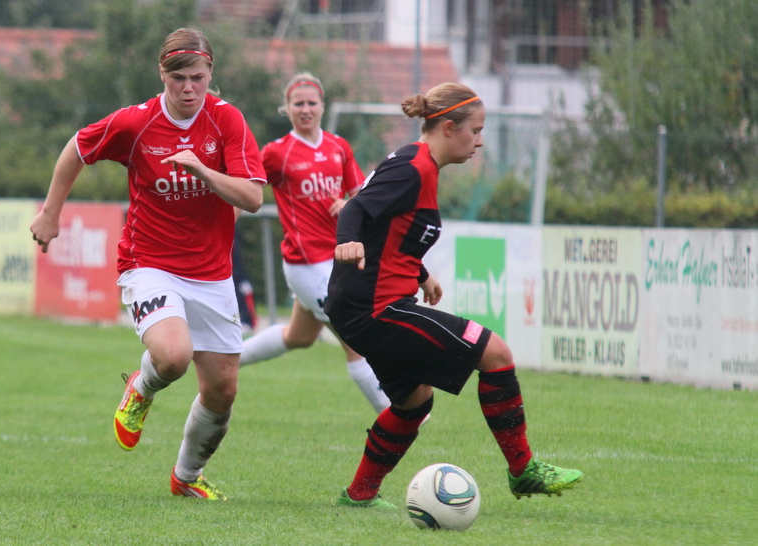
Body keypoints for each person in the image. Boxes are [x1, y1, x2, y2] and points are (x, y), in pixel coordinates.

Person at [29, 28, 266, 501]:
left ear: (210, 73)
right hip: (149, 263)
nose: (188, 88)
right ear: (162, 73)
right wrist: (51, 213)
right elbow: (77, 147)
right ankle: (143, 385)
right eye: (178, 78)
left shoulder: (227, 120)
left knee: (222, 392)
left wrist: (202, 169)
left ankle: (187, 477)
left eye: (197, 77)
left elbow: (253, 198)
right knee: (173, 357)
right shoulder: (135, 123)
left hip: (212, 273)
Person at [325, 83, 583, 507]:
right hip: (374, 307)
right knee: (495, 353)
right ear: (448, 127)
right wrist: (347, 241)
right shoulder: (413, 168)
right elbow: (357, 209)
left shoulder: (418, 164)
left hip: (365, 303)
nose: (479, 141)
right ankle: (524, 470)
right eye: (475, 131)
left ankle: (359, 494)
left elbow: (389, 228)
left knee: (414, 401)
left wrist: (421, 273)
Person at [238, 72, 390, 413]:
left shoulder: (338, 147)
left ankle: (228, 359)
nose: (305, 109)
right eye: (298, 104)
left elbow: (361, 197)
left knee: (299, 336)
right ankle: (395, 415)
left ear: (322, 106)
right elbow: (246, 189)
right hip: (305, 264)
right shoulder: (277, 153)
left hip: (339, 259)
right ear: (287, 108)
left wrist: (350, 204)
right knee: (354, 339)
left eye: (311, 103)